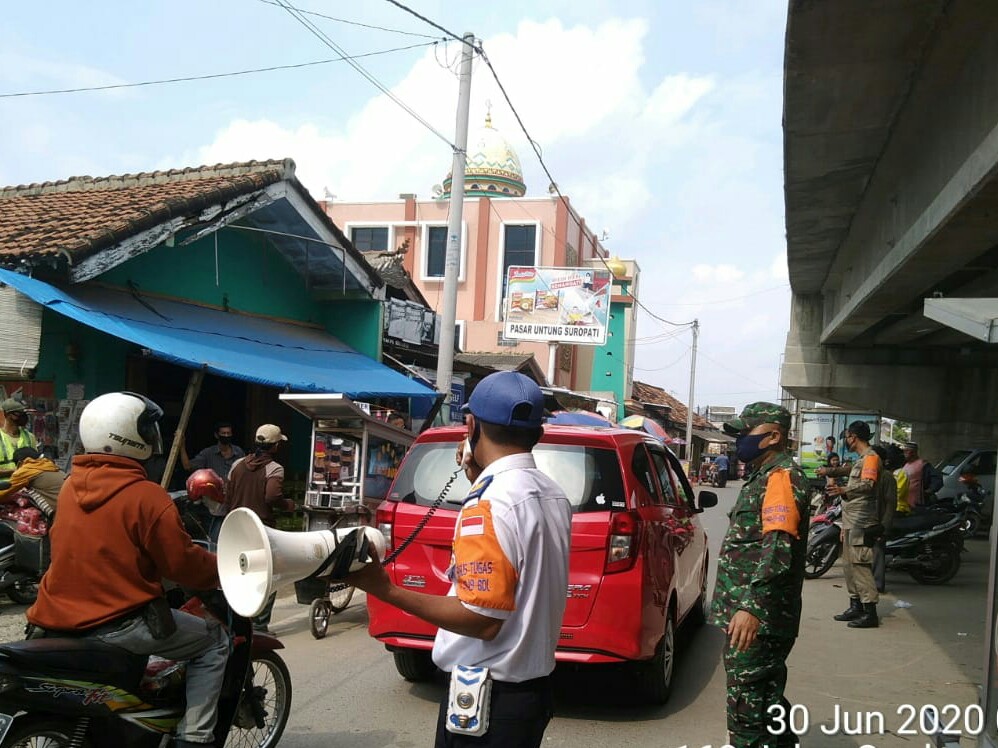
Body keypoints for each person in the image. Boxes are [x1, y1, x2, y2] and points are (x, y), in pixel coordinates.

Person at [348, 371, 572, 748]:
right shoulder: (552, 493)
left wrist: (386, 590)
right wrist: (478, 475)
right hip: (529, 692)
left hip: (488, 701)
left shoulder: (488, 503)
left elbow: (481, 620)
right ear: (539, 433)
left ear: (471, 425)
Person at [25, 392, 226, 748]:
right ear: (124, 435)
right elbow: (184, 566)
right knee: (214, 642)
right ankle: (195, 738)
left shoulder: (70, 487)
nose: (152, 438)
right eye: (146, 430)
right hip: (116, 623)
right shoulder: (147, 496)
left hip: (53, 616)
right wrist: (223, 568)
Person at [709, 402, 809, 748]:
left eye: (744, 433)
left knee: (748, 711)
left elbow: (778, 549)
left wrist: (751, 607)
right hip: (753, 614)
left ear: (774, 436)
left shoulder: (781, 478)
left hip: (760, 618)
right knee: (764, 700)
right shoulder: (763, 476)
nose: (739, 441)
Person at [226, 423, 287, 632]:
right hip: (263, 529)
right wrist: (288, 505)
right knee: (270, 575)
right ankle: (260, 626)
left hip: (237, 527)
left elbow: (228, 493)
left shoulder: (237, 465)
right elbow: (272, 496)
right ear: (276, 446)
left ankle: (238, 622)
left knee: (241, 572)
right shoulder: (274, 469)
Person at [826, 421, 883, 629]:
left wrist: (844, 491)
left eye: (847, 437)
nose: (846, 441)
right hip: (851, 520)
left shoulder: (871, 458)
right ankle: (856, 605)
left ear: (854, 436)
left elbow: (868, 485)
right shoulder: (862, 459)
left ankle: (870, 612)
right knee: (849, 565)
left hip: (862, 520)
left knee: (860, 565)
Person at [0, 446, 66, 512]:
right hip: (70, 506)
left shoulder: (26, 469)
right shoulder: (48, 465)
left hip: (61, 513)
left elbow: (3, 493)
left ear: (19, 463)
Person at [0, 398, 38, 477]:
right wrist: (16, 472)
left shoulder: (30, 437)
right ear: (8, 414)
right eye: (21, 413)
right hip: (3, 488)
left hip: (25, 487)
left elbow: (37, 464)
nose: (25, 417)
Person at [901, 441, 943, 509]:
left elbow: (938, 480)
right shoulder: (906, 464)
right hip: (905, 503)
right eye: (904, 451)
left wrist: (928, 491)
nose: (904, 453)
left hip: (918, 504)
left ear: (914, 452)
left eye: (907, 451)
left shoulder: (923, 465)